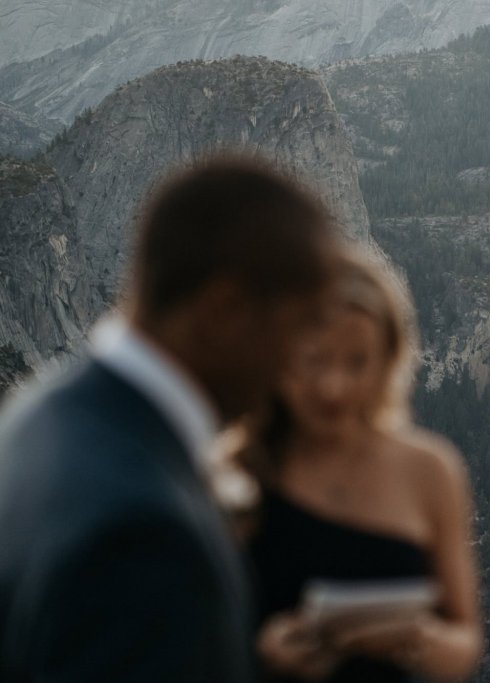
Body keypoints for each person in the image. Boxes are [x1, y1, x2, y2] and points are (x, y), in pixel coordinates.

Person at [0, 155, 337, 682]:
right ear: (224, 310)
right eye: (299, 328)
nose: (304, 366)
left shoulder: (39, 412)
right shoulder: (148, 536)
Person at [226, 247, 483, 682]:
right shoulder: (237, 472)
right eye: (315, 359)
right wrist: (261, 655)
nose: (334, 386)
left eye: (357, 361)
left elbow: (465, 643)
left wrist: (417, 639)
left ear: (388, 362)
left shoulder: (431, 471)